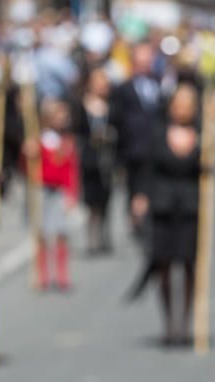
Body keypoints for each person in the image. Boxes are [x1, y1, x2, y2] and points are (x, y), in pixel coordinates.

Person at [131, 84, 202, 345]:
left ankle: (185, 323)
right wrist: (140, 196)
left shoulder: (202, 136)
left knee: (187, 263)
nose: (183, 109)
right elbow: (146, 167)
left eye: (188, 104)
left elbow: (204, 171)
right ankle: (169, 324)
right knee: (163, 264)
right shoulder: (158, 133)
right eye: (179, 103)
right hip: (162, 204)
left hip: (189, 207)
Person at [115, 42, 162, 237]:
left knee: (153, 186)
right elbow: (118, 119)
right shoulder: (124, 88)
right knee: (134, 187)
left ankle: (151, 220)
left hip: (155, 147)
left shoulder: (159, 85)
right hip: (133, 148)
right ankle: (136, 222)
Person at [35, 98, 79, 292]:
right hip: (42, 188)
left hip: (60, 189)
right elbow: (27, 167)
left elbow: (71, 168)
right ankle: (43, 273)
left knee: (61, 231)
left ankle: (62, 273)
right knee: (42, 232)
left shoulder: (67, 141)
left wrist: (72, 193)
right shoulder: (39, 140)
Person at [75, 67, 118, 254]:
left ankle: (105, 234)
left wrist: (110, 135)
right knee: (91, 201)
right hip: (89, 159)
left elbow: (120, 128)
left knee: (106, 198)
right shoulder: (81, 106)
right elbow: (76, 132)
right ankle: (92, 236)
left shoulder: (112, 106)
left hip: (107, 159)